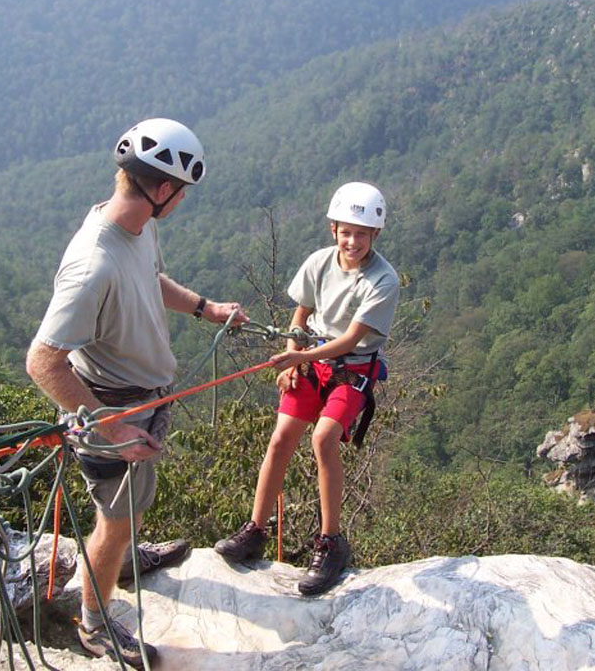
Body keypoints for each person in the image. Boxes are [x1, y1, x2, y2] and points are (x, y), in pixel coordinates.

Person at [27, 117, 246, 668]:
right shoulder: (93, 263)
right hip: (113, 406)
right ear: (164, 188)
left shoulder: (136, 225)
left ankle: (121, 561)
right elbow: (43, 361)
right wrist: (110, 425)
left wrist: (205, 308)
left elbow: (151, 280)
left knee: (129, 506)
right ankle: (96, 623)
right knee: (116, 516)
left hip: (141, 400)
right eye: (183, 192)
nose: (183, 202)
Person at [214, 181, 399, 597]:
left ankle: (331, 541)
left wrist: (298, 358)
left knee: (323, 439)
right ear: (333, 229)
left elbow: (352, 341)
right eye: (346, 231)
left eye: (362, 234)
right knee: (280, 438)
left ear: (375, 236)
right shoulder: (319, 262)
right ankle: (255, 529)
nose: (353, 241)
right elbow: (302, 312)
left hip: (352, 371)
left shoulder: (382, 280)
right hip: (311, 361)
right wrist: (291, 351)